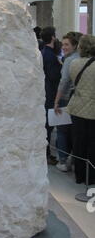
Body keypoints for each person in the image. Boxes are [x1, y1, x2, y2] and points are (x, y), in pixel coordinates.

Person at [67, 35, 95, 185]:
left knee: (78, 143)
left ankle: (79, 176)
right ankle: (91, 178)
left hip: (76, 108)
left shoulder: (73, 63)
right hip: (92, 110)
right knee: (92, 144)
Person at [54, 32, 82, 172]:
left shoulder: (69, 60)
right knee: (73, 131)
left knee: (62, 131)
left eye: (67, 45)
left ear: (75, 45)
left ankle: (63, 161)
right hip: (77, 99)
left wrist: (56, 101)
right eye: (63, 44)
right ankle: (73, 158)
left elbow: (63, 82)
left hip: (65, 98)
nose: (63, 47)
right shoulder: (81, 58)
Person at [41, 27, 62, 165]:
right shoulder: (50, 55)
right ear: (53, 37)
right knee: (49, 126)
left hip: (46, 92)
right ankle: (47, 155)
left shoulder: (43, 53)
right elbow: (54, 76)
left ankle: (47, 154)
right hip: (50, 94)